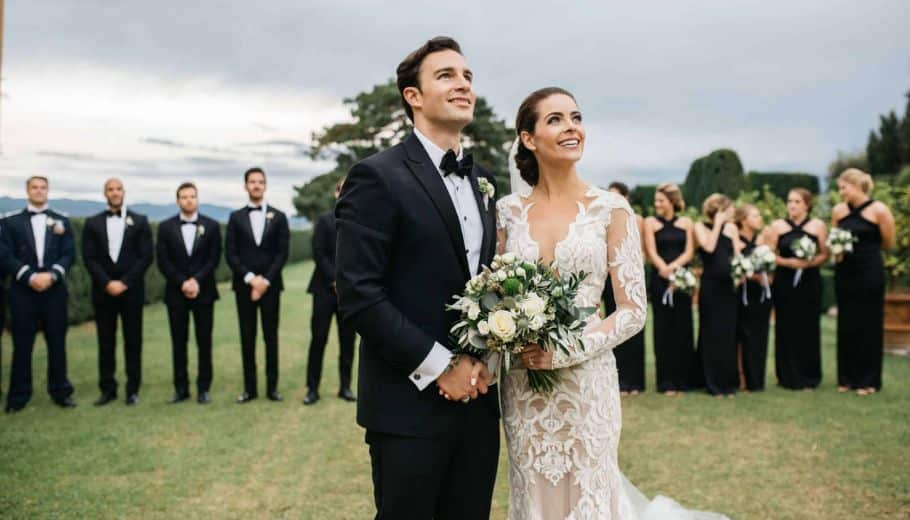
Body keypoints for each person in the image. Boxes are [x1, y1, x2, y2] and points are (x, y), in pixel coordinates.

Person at [498, 87, 727, 519]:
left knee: (589, 491)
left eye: (576, 117)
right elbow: (496, 295)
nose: (571, 127)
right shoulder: (507, 212)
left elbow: (633, 310)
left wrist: (566, 350)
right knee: (532, 491)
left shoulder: (611, 209)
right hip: (525, 383)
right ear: (528, 139)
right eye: (556, 119)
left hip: (587, 380)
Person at [335, 37, 499, 519]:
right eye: (446, 75)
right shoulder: (376, 176)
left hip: (478, 405)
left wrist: (483, 361)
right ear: (413, 96)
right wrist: (440, 366)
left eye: (467, 76)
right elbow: (359, 294)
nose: (463, 84)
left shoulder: (483, 181)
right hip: (406, 410)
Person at [1, 176, 77, 413]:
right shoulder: (11, 222)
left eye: (43, 187)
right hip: (23, 292)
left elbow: (69, 253)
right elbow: (5, 254)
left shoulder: (61, 221)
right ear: (27, 191)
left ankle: (60, 391)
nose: (39, 191)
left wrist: (52, 275)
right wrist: (29, 276)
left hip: (54, 291)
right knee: (22, 344)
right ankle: (19, 396)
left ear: (48, 191)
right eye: (34, 187)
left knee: (57, 343)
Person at [82, 178, 153, 406]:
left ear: (124, 192)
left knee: (133, 341)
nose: (114, 193)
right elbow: (89, 258)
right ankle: (107, 388)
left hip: (131, 291)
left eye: (118, 189)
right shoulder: (92, 223)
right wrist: (107, 283)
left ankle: (132, 389)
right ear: (105, 193)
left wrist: (124, 282)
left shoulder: (140, 221)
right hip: (104, 293)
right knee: (105, 341)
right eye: (110, 189)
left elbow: (145, 257)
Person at [226, 167, 290, 404]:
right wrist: (250, 279)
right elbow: (231, 254)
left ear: (265, 185)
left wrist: (265, 281)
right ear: (246, 186)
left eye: (260, 182)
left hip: (271, 287)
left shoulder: (279, 217)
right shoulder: (235, 217)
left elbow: (282, 253)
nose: (256, 185)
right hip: (244, 287)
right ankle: (249, 389)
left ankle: (272, 388)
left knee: (270, 337)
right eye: (252, 182)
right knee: (247, 337)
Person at [156, 182, 222, 404]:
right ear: (177, 201)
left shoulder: (211, 226)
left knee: (204, 341)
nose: (188, 200)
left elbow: (214, 259)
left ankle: (204, 388)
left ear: (197, 199)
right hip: (176, 293)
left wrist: (196, 280)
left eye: (192, 196)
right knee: (178, 342)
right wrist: (182, 282)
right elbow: (163, 261)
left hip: (204, 293)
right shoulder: (165, 228)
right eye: (184, 197)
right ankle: (181, 388)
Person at [831, 169, 895, 395]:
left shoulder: (879, 210)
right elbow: (835, 239)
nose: (840, 192)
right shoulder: (838, 211)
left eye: (843, 187)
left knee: (868, 323)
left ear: (856, 186)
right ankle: (846, 378)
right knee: (847, 322)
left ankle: (868, 380)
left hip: (869, 271)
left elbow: (888, 242)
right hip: (845, 272)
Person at [767, 188, 828, 390]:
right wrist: (787, 262)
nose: (792, 205)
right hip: (784, 281)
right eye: (789, 201)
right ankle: (786, 375)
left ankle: (809, 375)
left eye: (797, 201)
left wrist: (808, 264)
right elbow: (768, 254)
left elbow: (825, 254)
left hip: (809, 281)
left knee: (808, 327)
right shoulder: (778, 226)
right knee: (785, 326)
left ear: (807, 205)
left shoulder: (818, 225)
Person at [304, 176, 356, 405]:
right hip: (324, 290)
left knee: (347, 342)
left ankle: (345, 387)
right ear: (336, 194)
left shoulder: (362, 222)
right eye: (342, 189)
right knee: (318, 339)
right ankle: (312, 388)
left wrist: (347, 283)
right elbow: (319, 253)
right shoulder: (324, 221)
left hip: (350, 294)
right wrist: (335, 280)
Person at [643, 183, 696, 395]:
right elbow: (651, 250)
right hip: (660, 280)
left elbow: (689, 251)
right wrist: (663, 269)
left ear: (672, 201)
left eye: (661, 201)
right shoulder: (650, 222)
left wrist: (674, 269)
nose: (657, 204)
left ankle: (684, 380)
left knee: (683, 329)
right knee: (663, 330)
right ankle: (666, 382)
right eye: (656, 201)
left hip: (682, 280)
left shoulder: (687, 222)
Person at [693, 194, 742, 397]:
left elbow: (737, 255)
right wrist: (717, 225)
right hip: (711, 287)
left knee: (728, 334)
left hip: (729, 288)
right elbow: (709, 247)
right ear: (720, 210)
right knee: (711, 332)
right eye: (729, 208)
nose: (733, 212)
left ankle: (727, 381)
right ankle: (711, 382)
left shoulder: (732, 229)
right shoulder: (700, 227)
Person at [602, 181, 646, 395]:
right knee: (613, 324)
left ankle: (635, 380)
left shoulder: (636, 220)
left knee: (633, 324)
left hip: (630, 276)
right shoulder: (602, 220)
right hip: (609, 279)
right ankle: (619, 378)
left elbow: (642, 250)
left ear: (626, 198)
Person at [734, 204, 772, 392]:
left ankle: (756, 379)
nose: (759, 218)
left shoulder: (763, 240)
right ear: (743, 220)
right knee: (738, 336)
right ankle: (739, 377)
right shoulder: (735, 241)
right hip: (738, 294)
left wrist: (766, 277)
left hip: (759, 295)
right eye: (755, 215)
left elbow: (770, 266)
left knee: (759, 336)